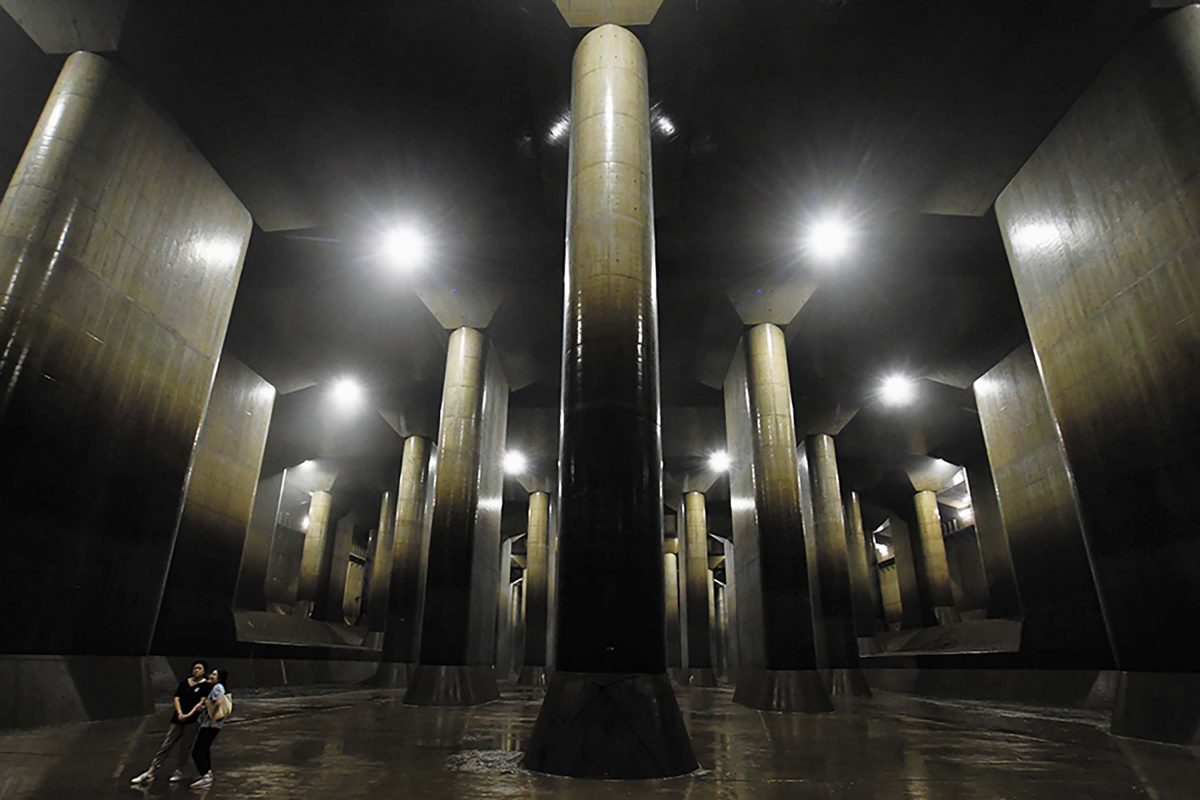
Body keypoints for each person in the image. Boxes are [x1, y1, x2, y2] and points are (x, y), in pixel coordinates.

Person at [130, 661, 210, 785]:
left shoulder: (206, 686)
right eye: (195, 668)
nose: (196, 670)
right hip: (177, 720)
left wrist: (188, 715)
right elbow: (177, 698)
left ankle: (179, 770)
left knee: (185, 747)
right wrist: (180, 713)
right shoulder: (185, 683)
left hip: (192, 721)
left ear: (204, 671)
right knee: (166, 745)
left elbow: (200, 702)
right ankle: (151, 771)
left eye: (199, 668)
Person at [190, 668, 230, 789]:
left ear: (219, 678)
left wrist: (213, 720)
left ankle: (205, 776)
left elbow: (218, 702)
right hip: (212, 724)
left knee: (197, 751)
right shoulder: (219, 687)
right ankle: (207, 773)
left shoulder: (217, 687)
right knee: (204, 749)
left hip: (210, 725)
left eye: (214, 674)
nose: (210, 676)